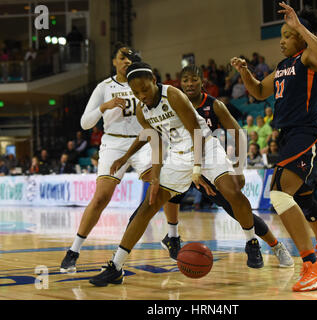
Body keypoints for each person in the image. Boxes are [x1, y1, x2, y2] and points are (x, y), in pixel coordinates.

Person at [89, 62, 266, 286]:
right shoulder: (142, 110)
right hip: (178, 155)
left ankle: (251, 243)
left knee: (232, 191)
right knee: (148, 205)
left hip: (205, 148)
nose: (141, 95)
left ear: (154, 80)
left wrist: (197, 170)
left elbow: (197, 133)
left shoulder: (172, 95)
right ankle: (116, 266)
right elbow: (154, 141)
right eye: (136, 92)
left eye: (144, 89)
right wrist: (150, 172)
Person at [231, 3, 317, 292]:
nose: (281, 40)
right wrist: (245, 72)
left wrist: (300, 27)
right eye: (281, 34)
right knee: (303, 198)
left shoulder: (309, 57)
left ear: (300, 37)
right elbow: (258, 91)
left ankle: (312, 266)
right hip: (290, 135)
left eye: (286, 35)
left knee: (280, 194)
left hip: (307, 131)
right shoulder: (283, 66)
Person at [59, 43, 177, 273]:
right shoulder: (104, 87)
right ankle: (73, 250)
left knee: (166, 183)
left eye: (130, 59)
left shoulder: (143, 83)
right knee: (101, 198)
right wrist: (105, 106)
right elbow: (85, 123)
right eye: (122, 58)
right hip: (113, 143)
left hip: (142, 142)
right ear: (113, 61)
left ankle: (173, 236)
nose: (126, 61)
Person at [162, 64, 293, 267]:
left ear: (202, 82)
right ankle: (172, 236)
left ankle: (274, 246)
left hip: (210, 163)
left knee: (237, 207)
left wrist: (240, 169)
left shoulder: (214, 105)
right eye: (185, 80)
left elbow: (238, 133)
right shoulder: (173, 105)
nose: (189, 83)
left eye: (193, 79)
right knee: (167, 189)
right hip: (185, 161)